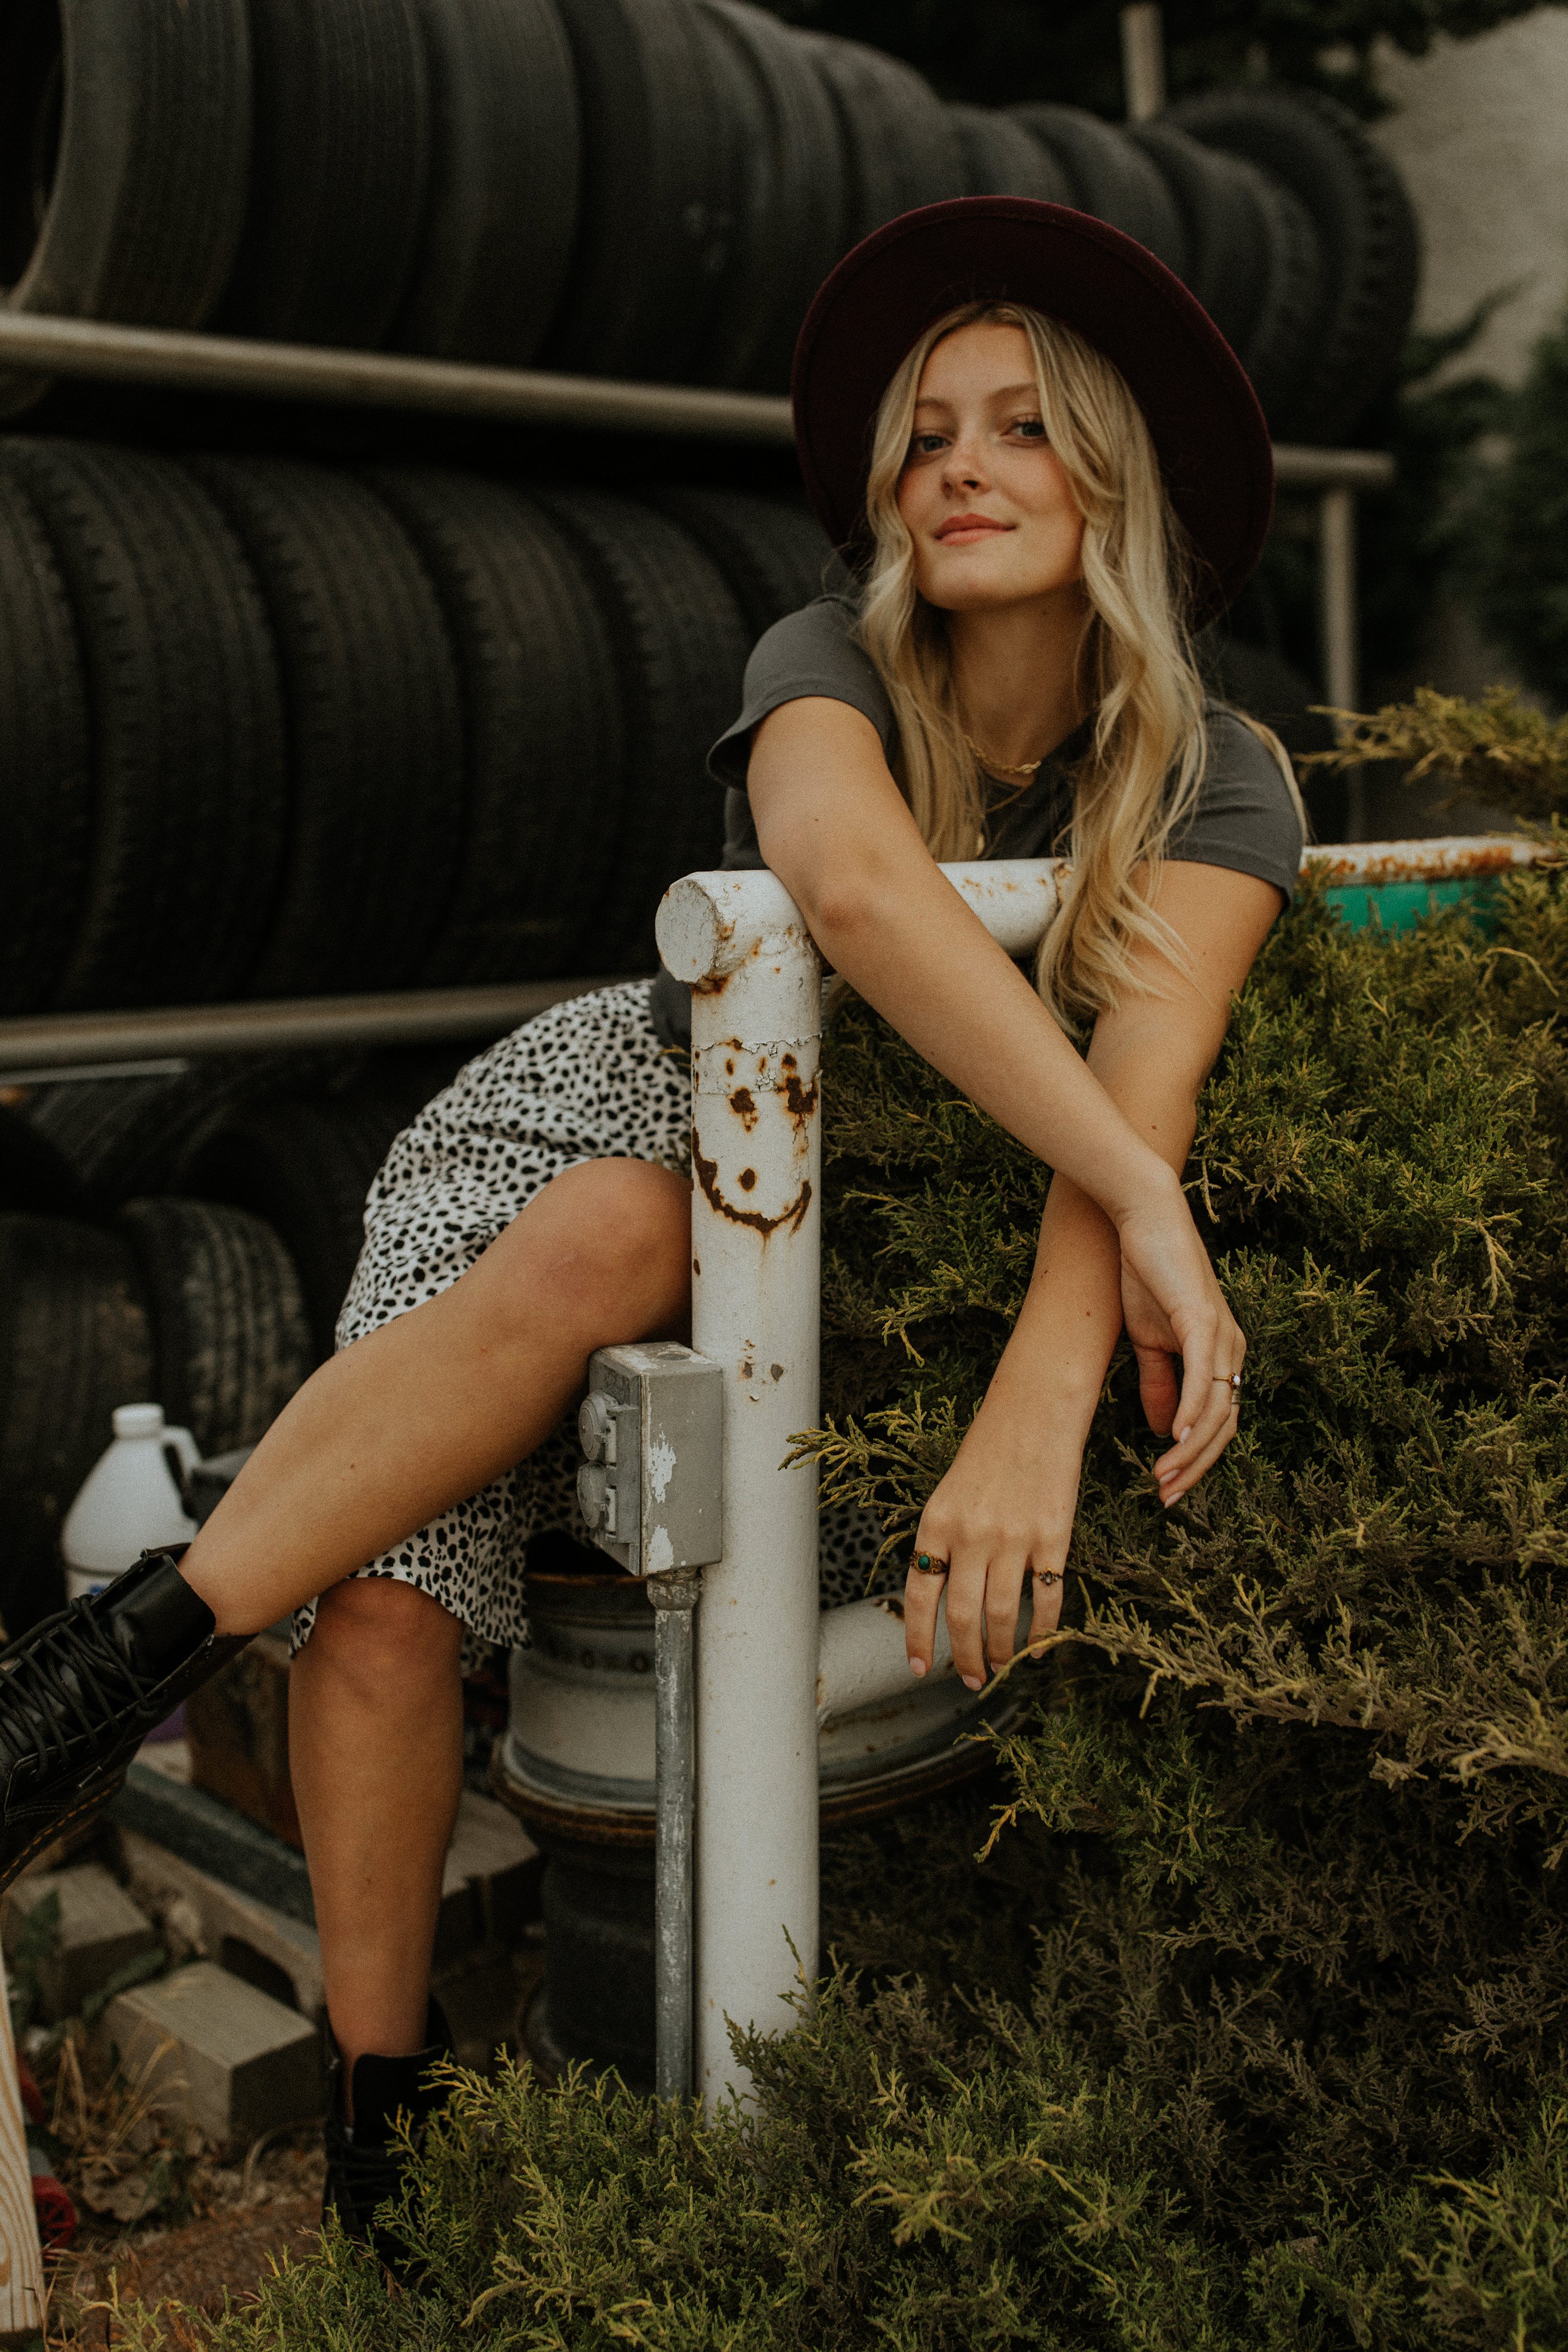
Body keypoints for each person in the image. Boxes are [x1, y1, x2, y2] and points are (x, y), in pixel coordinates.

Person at [0, 197, 1300, 2250]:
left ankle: (96, 1666)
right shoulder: (827, 666)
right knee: (410, 1560)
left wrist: (1043, 1392)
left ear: (1119, 479)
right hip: (611, 1102)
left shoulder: (1221, 779)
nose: (957, 462)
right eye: (926, 431)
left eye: (1022, 426)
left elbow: (1131, 1109)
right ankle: (375, 2136)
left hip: (811, 1201)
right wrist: (1148, 1194)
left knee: (632, 1263)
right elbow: (854, 900)